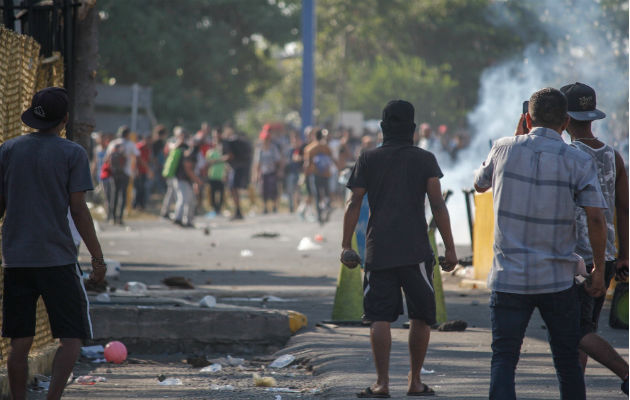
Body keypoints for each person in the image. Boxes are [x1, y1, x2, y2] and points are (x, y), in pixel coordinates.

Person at [474, 87, 608, 400]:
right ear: (565, 121)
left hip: (509, 277)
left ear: (526, 118)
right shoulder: (577, 159)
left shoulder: (502, 148)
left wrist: (516, 137)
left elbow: (479, 185)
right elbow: (596, 219)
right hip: (557, 279)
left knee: (504, 358)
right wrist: (599, 270)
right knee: (566, 360)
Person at [341, 100, 458, 398]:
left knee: (379, 317)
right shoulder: (425, 159)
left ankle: (382, 384)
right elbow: (438, 205)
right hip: (416, 251)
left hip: (378, 249)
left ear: (382, 129)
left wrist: (345, 245)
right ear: (414, 130)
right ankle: (415, 381)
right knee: (420, 316)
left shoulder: (367, 159)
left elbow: (353, 203)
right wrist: (451, 249)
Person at [1, 87, 106, 400]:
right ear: (66, 120)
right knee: (71, 337)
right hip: (57, 259)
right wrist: (97, 259)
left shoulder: (7, 150)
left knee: (19, 342)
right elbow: (78, 209)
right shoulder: (72, 153)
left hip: (16, 259)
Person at [559, 82, 629, 394]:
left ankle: (626, 374)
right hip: (609, 256)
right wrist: (624, 254)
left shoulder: (568, 154)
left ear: (565, 119)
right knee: (586, 330)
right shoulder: (613, 156)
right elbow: (624, 209)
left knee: (575, 330)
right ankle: (576, 389)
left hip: (578, 257)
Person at [105, 125, 139, 225]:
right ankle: (120, 218)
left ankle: (112, 217)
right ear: (128, 134)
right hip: (126, 172)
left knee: (114, 194)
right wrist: (135, 169)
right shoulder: (130, 144)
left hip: (114, 172)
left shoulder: (113, 143)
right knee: (122, 194)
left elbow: (107, 158)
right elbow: (137, 156)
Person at [304, 128, 335, 224]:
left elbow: (307, 164)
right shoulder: (326, 147)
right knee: (326, 193)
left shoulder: (309, 148)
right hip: (326, 173)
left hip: (315, 174)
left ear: (314, 136)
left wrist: (305, 175)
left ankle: (319, 215)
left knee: (317, 195)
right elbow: (331, 159)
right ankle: (327, 206)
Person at [222, 124, 252, 220]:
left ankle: (238, 211)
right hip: (240, 167)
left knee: (233, 189)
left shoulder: (228, 142)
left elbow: (230, 156)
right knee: (234, 189)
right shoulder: (236, 140)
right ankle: (238, 211)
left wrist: (215, 161)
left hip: (235, 168)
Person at [173, 135, 203, 227]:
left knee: (190, 200)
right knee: (184, 200)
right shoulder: (190, 154)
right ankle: (178, 218)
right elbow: (188, 169)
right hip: (182, 180)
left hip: (185, 180)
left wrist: (195, 182)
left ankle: (188, 220)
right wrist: (197, 181)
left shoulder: (191, 153)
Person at [255, 130, 282, 214]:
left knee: (273, 189)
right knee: (264, 190)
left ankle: (274, 206)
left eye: (267, 139)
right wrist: (257, 173)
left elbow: (278, 160)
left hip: (272, 171)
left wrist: (278, 170)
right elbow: (258, 163)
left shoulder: (273, 148)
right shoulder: (260, 150)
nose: (266, 140)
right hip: (263, 172)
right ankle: (265, 207)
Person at [206, 128, 227, 215]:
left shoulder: (223, 150)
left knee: (221, 193)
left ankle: (219, 208)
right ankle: (214, 208)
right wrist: (220, 160)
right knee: (212, 194)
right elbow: (208, 162)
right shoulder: (210, 152)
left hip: (221, 175)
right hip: (212, 175)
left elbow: (226, 161)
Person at [133, 133, 154, 210]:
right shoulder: (140, 146)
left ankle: (141, 205)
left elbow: (147, 159)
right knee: (138, 189)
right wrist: (148, 169)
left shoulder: (147, 148)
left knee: (142, 189)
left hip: (144, 171)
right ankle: (136, 205)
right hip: (139, 171)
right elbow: (139, 159)